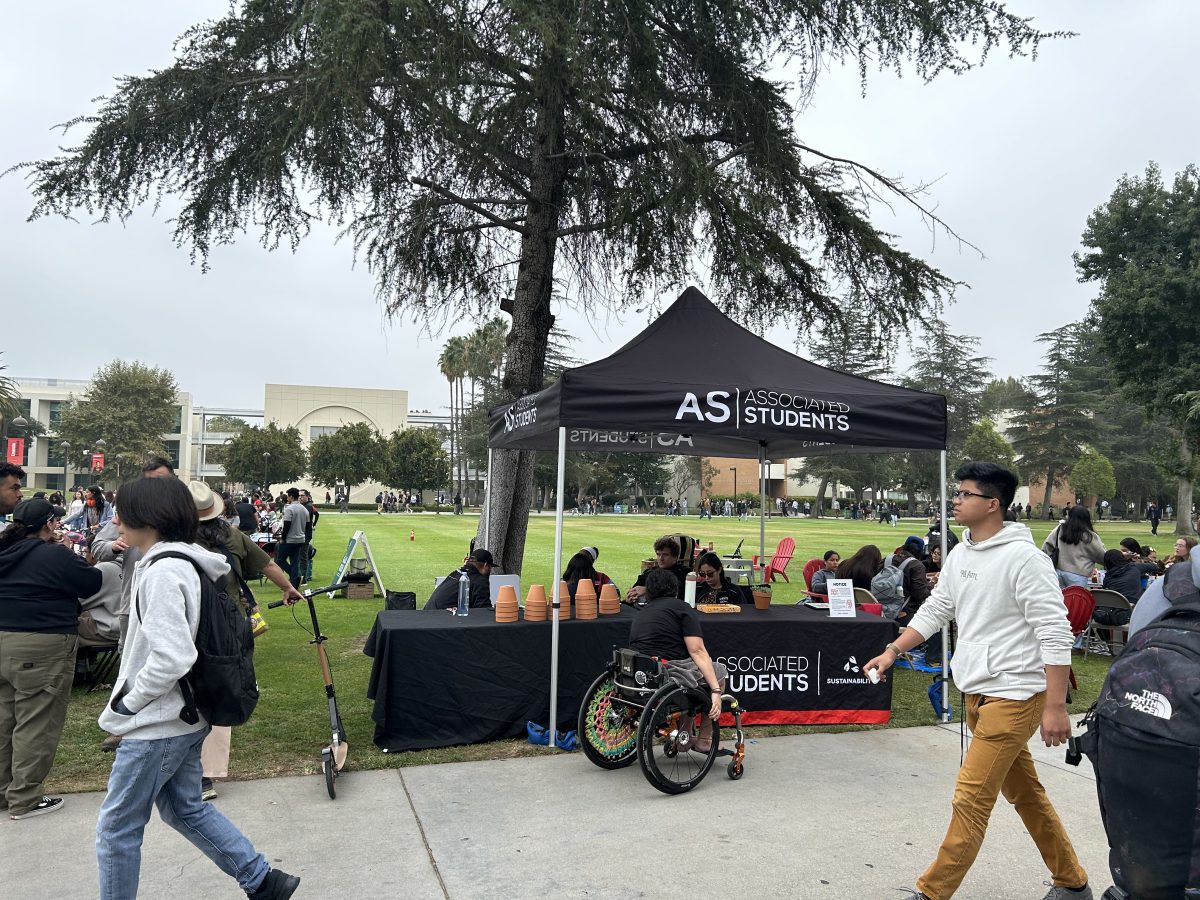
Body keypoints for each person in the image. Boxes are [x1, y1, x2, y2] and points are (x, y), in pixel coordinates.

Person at [863, 461, 1090, 900]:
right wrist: (892, 650)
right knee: (1027, 795)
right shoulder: (961, 553)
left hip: (1017, 694)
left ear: (993, 504)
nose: (956, 500)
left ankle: (932, 892)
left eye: (965, 494)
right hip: (976, 689)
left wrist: (1056, 706)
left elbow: (1055, 631)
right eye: (958, 492)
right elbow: (935, 610)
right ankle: (1073, 881)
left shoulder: (1026, 560)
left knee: (970, 799)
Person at [94, 476, 299, 899]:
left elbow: (172, 657)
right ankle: (262, 880)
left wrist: (128, 705)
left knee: (117, 829)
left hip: (160, 723)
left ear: (147, 518)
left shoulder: (165, 571)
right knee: (184, 809)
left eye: (122, 513)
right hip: (184, 716)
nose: (116, 522)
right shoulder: (182, 562)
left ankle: (260, 879)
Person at [189, 482, 302, 801]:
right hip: (229, 624)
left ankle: (187, 770)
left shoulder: (175, 538)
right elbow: (266, 564)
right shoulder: (231, 535)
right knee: (222, 691)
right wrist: (288, 587)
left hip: (190, 621)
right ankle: (205, 776)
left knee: (188, 693)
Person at [0, 499, 102, 820]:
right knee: (36, 719)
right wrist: (71, 551)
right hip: (43, 639)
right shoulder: (54, 555)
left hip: (3, 636)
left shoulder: (4, 553)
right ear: (48, 524)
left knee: (4, 719)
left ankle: (4, 792)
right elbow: (92, 581)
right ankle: (25, 797)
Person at [628, 568, 725, 752]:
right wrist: (716, 690)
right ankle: (704, 739)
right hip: (666, 672)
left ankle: (685, 734)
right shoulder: (681, 608)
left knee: (694, 673)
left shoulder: (641, 611)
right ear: (675, 589)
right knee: (717, 670)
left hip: (640, 672)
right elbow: (697, 650)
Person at [1043, 505, 1107, 587]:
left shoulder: (1059, 529)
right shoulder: (1090, 536)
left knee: (1059, 599)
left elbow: (1046, 547)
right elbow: (1102, 555)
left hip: (1058, 572)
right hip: (1078, 575)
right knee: (1076, 599)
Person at [626, 536, 691, 603]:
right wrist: (630, 597)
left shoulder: (684, 573)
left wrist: (648, 590)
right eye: (658, 554)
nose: (661, 558)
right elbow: (634, 591)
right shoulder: (649, 572)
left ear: (675, 557)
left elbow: (675, 593)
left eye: (665, 555)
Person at [425, 549, 494, 609]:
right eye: (490, 567)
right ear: (486, 565)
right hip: (444, 620)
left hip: (428, 615)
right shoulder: (479, 580)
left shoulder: (455, 573)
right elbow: (484, 610)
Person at [274, 488, 309, 589]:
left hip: (290, 539)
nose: (287, 498)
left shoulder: (289, 509)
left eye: (288, 496)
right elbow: (307, 525)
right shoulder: (304, 509)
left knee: (280, 560)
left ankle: (295, 578)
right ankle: (294, 583)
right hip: (300, 539)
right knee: (294, 561)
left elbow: (287, 525)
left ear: (291, 497)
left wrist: (282, 538)